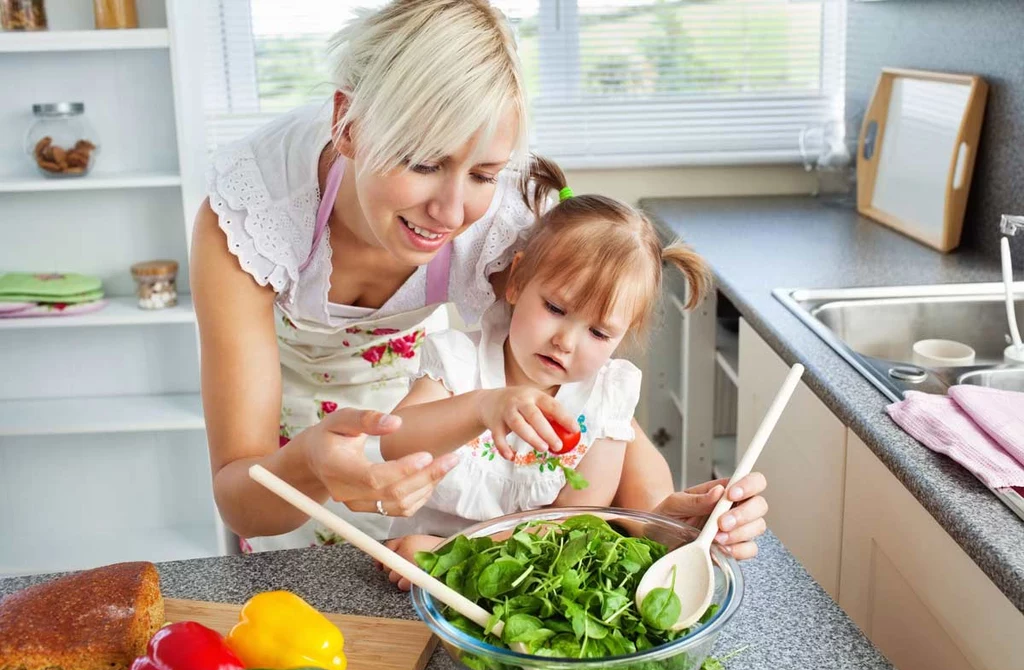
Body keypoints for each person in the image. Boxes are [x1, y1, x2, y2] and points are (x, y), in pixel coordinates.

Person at [190, 0, 767, 555]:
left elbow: (586, 399)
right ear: (348, 124)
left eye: (484, 174)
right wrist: (313, 464)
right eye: (422, 163)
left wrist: (663, 516)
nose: (452, 212)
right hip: (292, 465)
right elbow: (241, 498)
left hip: (427, 447)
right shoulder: (254, 213)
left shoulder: (503, 219)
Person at [379, 155, 711, 558]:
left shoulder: (603, 401)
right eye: (555, 309)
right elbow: (395, 444)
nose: (566, 342)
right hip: (405, 570)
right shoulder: (458, 362)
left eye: (598, 332)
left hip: (516, 578)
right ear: (517, 281)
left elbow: (574, 522)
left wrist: (448, 553)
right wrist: (482, 407)